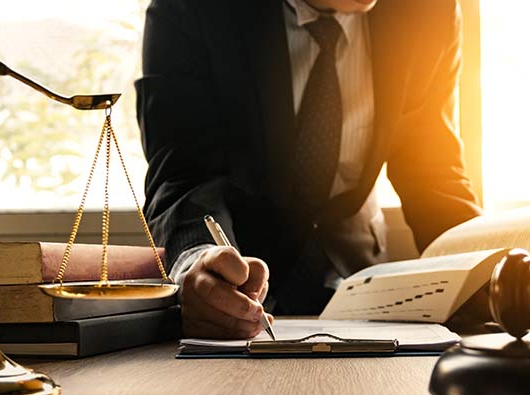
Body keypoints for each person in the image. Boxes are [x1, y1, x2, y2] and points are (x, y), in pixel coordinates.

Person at [135, 0, 482, 339]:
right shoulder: (188, 8)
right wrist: (199, 262)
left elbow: (433, 175)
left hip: (365, 286)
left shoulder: (429, 10)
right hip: (244, 293)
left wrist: (486, 268)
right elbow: (183, 174)